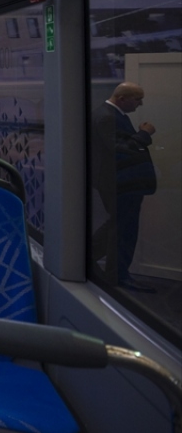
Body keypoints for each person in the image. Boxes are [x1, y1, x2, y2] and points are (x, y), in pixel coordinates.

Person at [91, 82, 158, 293]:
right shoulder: (107, 117)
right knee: (123, 229)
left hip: (119, 181)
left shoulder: (110, 114)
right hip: (119, 182)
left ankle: (92, 259)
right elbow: (121, 149)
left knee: (117, 225)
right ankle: (118, 275)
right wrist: (144, 134)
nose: (140, 104)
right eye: (137, 99)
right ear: (122, 98)